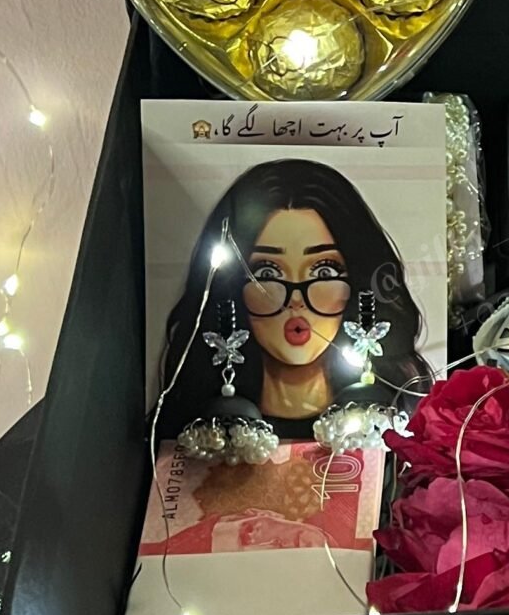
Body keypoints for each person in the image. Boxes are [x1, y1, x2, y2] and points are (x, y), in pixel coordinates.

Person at [159, 156, 432, 441]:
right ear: (233, 287)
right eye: (267, 272)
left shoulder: (394, 426)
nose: (296, 301)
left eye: (324, 271)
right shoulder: (202, 434)